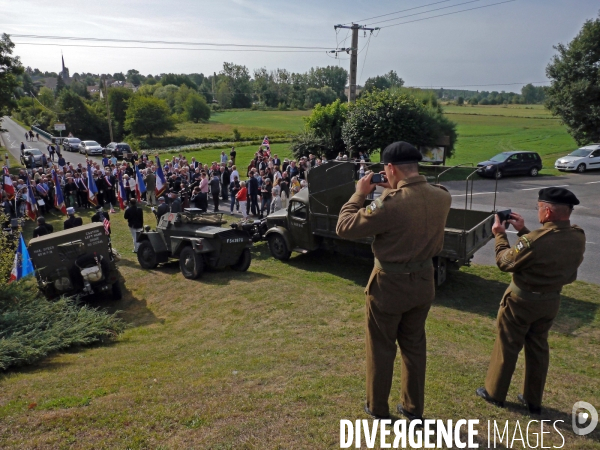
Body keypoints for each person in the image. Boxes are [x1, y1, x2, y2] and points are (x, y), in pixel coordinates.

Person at [336, 141, 452, 421]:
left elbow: (344, 227)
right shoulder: (442, 196)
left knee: (381, 347)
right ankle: (413, 409)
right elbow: (413, 203)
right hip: (424, 280)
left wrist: (358, 195)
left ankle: (378, 407)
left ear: (389, 168)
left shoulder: (388, 204)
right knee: (414, 347)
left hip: (389, 284)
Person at [476, 187, 586, 415]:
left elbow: (505, 261)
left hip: (521, 301)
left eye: (539, 208)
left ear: (547, 212)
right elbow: (545, 249)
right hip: (550, 301)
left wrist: (500, 234)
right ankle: (532, 399)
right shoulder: (577, 235)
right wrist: (523, 231)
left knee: (507, 346)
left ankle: (495, 392)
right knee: (538, 349)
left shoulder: (534, 240)